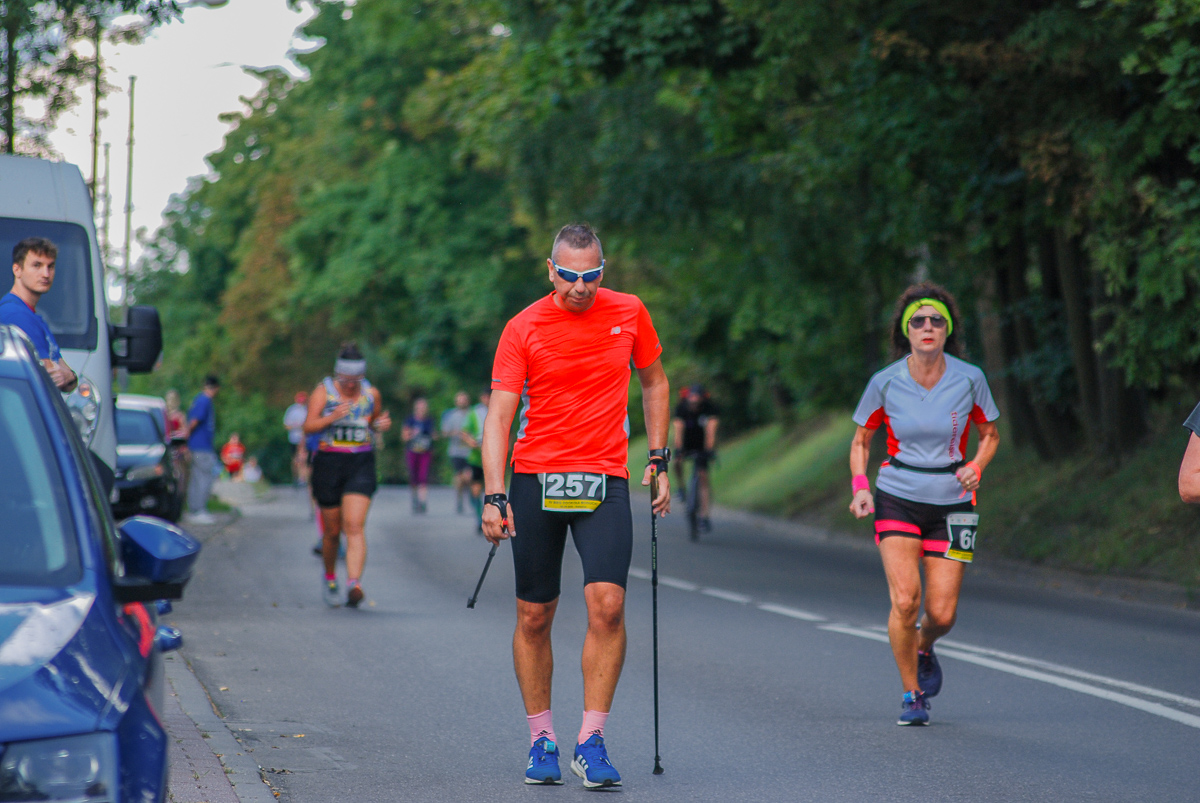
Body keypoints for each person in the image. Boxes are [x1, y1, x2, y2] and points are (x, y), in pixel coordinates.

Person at [481, 223, 671, 788]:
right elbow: (498, 417)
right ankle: (542, 737)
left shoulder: (630, 312)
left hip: (605, 478)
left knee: (608, 607)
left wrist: (658, 457)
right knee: (534, 616)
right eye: (570, 275)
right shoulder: (524, 326)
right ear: (550, 269)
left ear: (602, 270)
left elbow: (655, 383)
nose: (581, 286)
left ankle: (591, 741)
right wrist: (495, 493)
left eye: (592, 275)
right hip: (536, 480)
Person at [848, 282, 1000, 726]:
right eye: (918, 321)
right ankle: (911, 693)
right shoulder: (886, 382)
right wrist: (860, 486)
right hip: (898, 496)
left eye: (936, 321)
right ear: (906, 331)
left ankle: (925, 646)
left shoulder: (970, 378)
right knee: (906, 600)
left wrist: (977, 464)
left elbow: (990, 434)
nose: (928, 327)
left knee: (942, 613)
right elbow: (861, 441)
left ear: (947, 330)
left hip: (954, 502)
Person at [304, 343, 391, 608]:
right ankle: (330, 578)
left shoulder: (371, 393)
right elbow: (308, 426)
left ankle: (354, 583)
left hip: (361, 462)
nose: (352, 386)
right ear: (338, 375)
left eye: (356, 380)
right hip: (329, 463)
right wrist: (330, 418)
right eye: (347, 380)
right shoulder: (324, 392)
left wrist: (379, 425)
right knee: (332, 531)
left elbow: (373, 420)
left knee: (354, 526)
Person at [0, 237, 78, 391]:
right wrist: (68, 376)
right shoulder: (15, 315)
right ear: (17, 270)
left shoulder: (35, 318)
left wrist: (69, 376)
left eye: (51, 266)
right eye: (37, 265)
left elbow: (67, 382)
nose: (46, 274)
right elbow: (50, 379)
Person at [672, 384, 719, 533]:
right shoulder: (681, 408)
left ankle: (704, 516)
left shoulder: (709, 408)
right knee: (676, 462)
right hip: (686, 443)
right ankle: (681, 488)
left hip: (701, 445)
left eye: (696, 401)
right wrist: (678, 449)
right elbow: (678, 430)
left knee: (703, 477)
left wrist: (709, 450)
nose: (693, 404)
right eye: (691, 401)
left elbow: (711, 430)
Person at [185, 375, 221, 525]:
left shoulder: (199, 399)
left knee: (197, 477)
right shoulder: (204, 400)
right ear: (216, 388)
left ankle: (194, 509)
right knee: (203, 478)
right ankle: (198, 510)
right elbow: (194, 421)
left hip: (198, 446)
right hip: (201, 447)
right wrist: (186, 436)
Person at [459, 388, 491, 529]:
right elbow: (464, 433)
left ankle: (489, 516)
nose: (487, 400)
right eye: (485, 396)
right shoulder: (474, 413)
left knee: (491, 489)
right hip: (476, 457)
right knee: (476, 488)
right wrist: (471, 442)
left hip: (492, 457)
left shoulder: (500, 409)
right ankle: (479, 517)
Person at [440, 390, 473, 513]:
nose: (462, 402)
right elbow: (444, 432)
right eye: (460, 399)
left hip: (470, 451)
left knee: (468, 476)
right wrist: (455, 433)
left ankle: (470, 495)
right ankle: (459, 498)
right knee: (459, 477)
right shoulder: (451, 415)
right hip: (456, 451)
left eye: (464, 399)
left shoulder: (472, 414)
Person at [402, 397, 435, 514]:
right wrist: (412, 433)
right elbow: (404, 436)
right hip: (412, 451)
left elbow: (434, 435)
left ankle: (423, 502)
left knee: (423, 477)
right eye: (419, 407)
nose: (421, 409)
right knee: (414, 477)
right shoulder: (410, 420)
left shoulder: (429, 421)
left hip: (425, 452)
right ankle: (415, 498)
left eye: (424, 407)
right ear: (415, 408)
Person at [284, 392, 310, 486]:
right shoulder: (292, 410)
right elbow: (286, 425)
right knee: (295, 459)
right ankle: (296, 477)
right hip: (294, 438)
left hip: (306, 438)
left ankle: (303, 479)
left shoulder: (308, 409)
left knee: (304, 458)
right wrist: (297, 426)